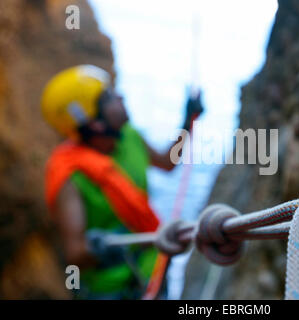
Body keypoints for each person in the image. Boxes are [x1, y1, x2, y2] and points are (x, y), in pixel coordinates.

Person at [41, 65, 203, 299]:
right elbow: (75, 253)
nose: (120, 97)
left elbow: (167, 163)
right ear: (94, 122)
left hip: (150, 274)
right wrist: (102, 248)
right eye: (109, 98)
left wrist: (187, 122)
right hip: (109, 291)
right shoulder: (70, 174)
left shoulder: (128, 137)